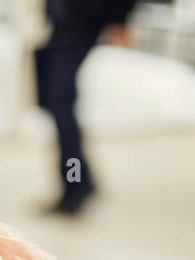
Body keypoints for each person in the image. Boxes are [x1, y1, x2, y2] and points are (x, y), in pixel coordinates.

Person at [34, 0, 137, 215]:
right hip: (62, 22)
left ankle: (77, 184)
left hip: (80, 22)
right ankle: (81, 181)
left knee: (60, 103)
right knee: (55, 102)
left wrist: (119, 20)